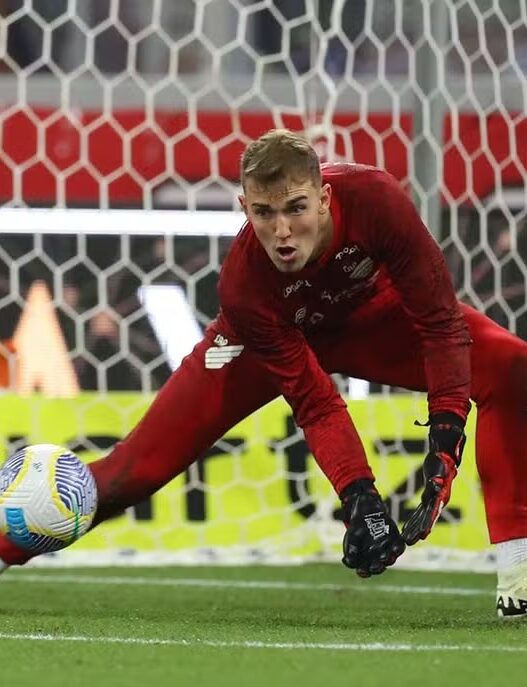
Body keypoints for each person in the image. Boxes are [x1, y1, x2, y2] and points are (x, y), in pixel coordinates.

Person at [1, 129, 526, 617]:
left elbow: (440, 324)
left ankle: (519, 578)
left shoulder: (376, 200)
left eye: (296, 209)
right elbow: (316, 402)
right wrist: (359, 495)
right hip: (260, 344)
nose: (282, 231)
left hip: (375, 322)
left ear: (324, 199)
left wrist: (445, 440)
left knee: (511, 366)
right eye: (263, 213)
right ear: (243, 208)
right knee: (127, 476)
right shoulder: (243, 284)